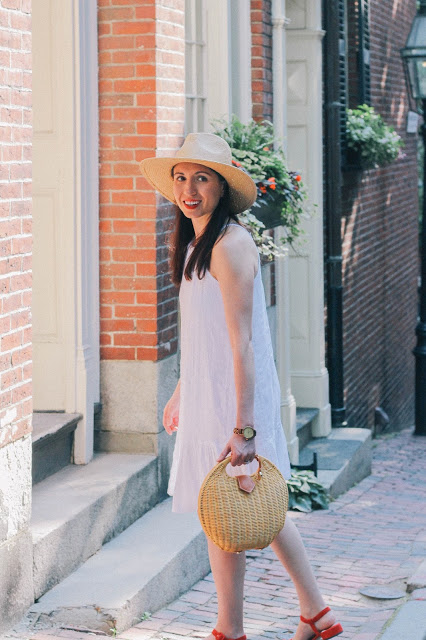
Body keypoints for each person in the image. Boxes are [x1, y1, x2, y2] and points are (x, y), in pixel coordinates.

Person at [140, 133, 343, 640]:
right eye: (182, 177)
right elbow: (202, 332)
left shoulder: (230, 246)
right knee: (232, 510)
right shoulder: (195, 243)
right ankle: (304, 616)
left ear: (222, 188)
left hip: (236, 397)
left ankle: (241, 627)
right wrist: (183, 387)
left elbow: (242, 345)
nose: (189, 189)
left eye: (202, 178)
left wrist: (245, 428)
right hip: (212, 392)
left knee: (248, 508)